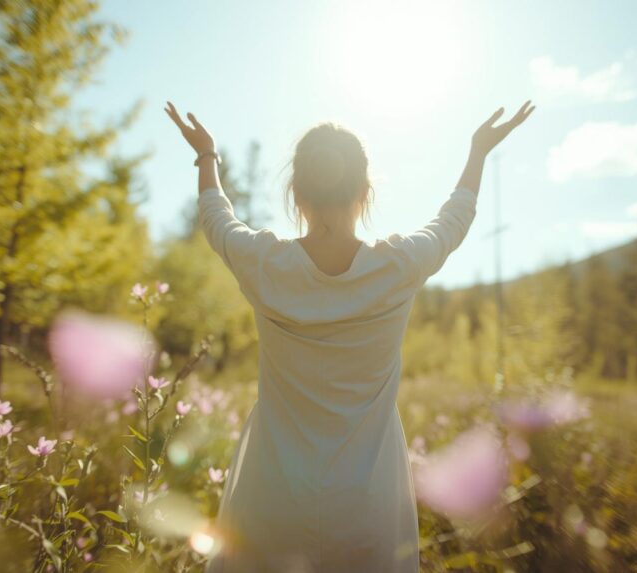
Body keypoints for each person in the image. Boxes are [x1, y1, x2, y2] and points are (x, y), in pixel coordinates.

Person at [165, 100, 534, 572]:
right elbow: (453, 222)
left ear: (296, 192)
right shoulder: (397, 266)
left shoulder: (264, 264)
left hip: (272, 495)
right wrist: (478, 152)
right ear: (364, 191)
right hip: (369, 501)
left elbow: (216, 219)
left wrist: (206, 156)